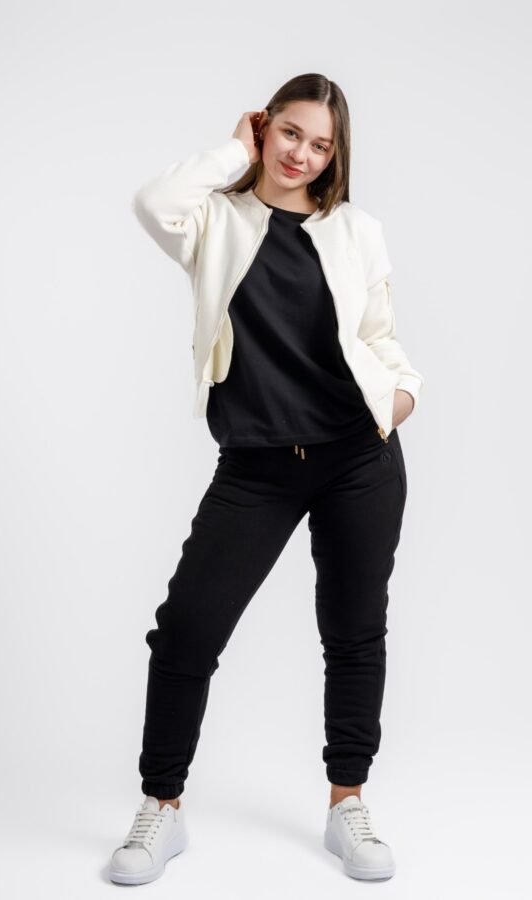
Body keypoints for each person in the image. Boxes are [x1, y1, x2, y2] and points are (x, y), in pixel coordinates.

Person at [110, 72, 424, 885]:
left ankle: (347, 802)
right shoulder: (216, 219)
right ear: (264, 126)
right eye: (290, 133)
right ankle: (162, 807)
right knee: (187, 631)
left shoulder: (355, 230)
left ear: (336, 155)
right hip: (256, 463)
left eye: (320, 145)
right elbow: (152, 202)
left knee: (353, 632)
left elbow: (381, 336)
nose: (302, 155)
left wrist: (402, 396)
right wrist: (232, 153)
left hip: (358, 457)